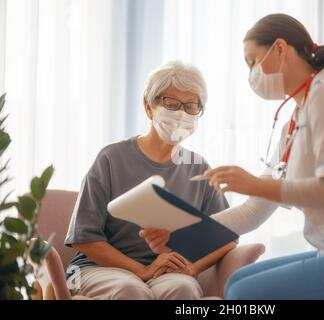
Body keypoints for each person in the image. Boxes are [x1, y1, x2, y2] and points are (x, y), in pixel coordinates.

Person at [140, 14, 324, 300]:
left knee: (243, 292)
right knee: (237, 280)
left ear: (279, 48)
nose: (250, 73)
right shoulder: (296, 118)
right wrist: (180, 236)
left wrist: (252, 184)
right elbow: (254, 211)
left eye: (252, 61)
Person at [64, 61, 234, 300]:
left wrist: (191, 268)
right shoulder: (111, 158)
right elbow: (84, 238)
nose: (181, 114)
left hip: (165, 271)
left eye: (190, 106)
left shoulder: (199, 168)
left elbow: (227, 239)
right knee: (130, 290)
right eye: (172, 104)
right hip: (96, 269)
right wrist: (142, 271)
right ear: (148, 107)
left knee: (183, 288)